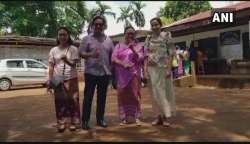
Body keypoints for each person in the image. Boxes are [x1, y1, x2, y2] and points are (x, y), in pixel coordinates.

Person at [79, 15, 114, 130]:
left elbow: (112, 57)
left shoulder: (109, 40)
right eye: (96, 24)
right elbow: (81, 53)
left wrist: (113, 73)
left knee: (102, 98)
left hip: (104, 73)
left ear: (104, 26)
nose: (98, 26)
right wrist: (90, 55)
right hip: (90, 73)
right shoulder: (86, 39)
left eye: (100, 24)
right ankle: (85, 121)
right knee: (88, 97)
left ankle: (100, 119)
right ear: (93, 25)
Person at [144, 17, 176, 127]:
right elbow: (145, 55)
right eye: (152, 25)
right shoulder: (148, 38)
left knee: (165, 93)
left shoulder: (167, 36)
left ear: (160, 25)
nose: (154, 27)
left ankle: (166, 116)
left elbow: (171, 53)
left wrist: (169, 69)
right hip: (152, 69)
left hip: (163, 68)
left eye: (156, 24)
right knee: (154, 94)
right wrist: (145, 71)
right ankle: (158, 117)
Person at [48, 27, 81, 132]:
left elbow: (74, 65)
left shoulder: (73, 49)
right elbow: (51, 66)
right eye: (60, 35)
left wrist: (66, 60)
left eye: (64, 34)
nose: (62, 37)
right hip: (57, 78)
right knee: (59, 102)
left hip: (71, 78)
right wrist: (50, 80)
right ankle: (61, 123)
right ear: (58, 36)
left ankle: (73, 122)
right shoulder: (53, 50)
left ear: (68, 36)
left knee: (73, 100)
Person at [111, 26, 145, 126]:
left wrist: (132, 49)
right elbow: (113, 58)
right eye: (128, 33)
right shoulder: (118, 46)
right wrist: (123, 64)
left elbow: (140, 58)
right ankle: (124, 117)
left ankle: (136, 116)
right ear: (124, 34)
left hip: (134, 74)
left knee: (135, 95)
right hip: (121, 76)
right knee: (122, 95)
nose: (130, 35)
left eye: (132, 34)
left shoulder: (138, 46)